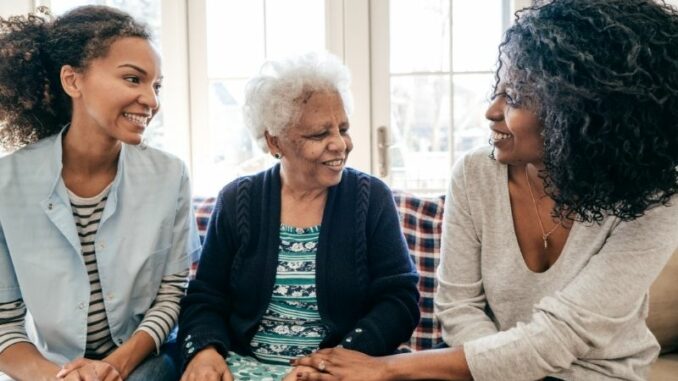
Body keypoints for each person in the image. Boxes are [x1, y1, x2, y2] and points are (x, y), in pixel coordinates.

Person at [292, 0, 678, 380]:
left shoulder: (651, 200)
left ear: (579, 116)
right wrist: (496, 371)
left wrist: (387, 368)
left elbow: (561, 336)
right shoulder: (476, 174)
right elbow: (459, 307)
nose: (491, 111)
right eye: (499, 89)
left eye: (514, 98)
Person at [177, 52, 420, 381]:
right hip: (245, 368)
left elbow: (399, 301)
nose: (340, 144)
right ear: (274, 141)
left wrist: (336, 361)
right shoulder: (238, 199)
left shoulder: (370, 197)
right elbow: (206, 297)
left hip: (340, 368)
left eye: (343, 128)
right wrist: (205, 351)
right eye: (319, 135)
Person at [0, 5, 200, 381]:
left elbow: (172, 293)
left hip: (141, 361)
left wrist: (113, 367)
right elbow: (4, 322)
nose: (152, 101)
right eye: (133, 79)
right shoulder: (6, 184)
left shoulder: (170, 175)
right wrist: (60, 377)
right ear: (73, 81)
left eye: (156, 86)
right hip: (48, 367)